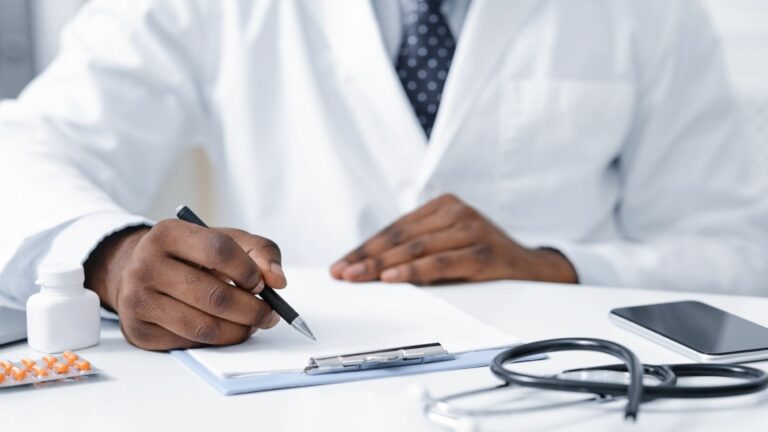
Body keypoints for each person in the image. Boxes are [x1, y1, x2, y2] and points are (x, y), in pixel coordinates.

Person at [0, 0, 766, 350]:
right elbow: (26, 147)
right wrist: (115, 252)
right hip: (297, 385)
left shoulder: (656, 14)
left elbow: (736, 251)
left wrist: (559, 267)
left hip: (567, 389)